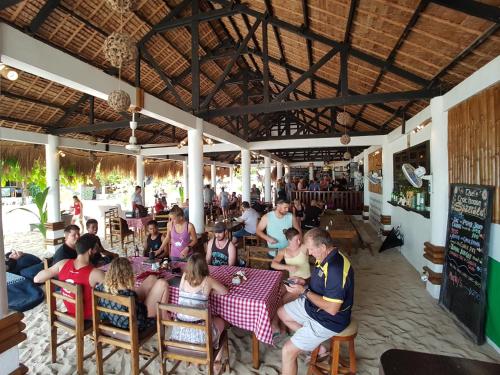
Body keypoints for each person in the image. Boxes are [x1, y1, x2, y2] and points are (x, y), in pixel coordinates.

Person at [277, 229, 354, 375]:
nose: (310, 253)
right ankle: (315, 346)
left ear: (323, 247)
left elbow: (332, 309)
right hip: (313, 306)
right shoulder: (325, 256)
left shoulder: (335, 269)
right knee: (281, 312)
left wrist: (303, 292)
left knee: (287, 351)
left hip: (329, 319)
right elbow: (320, 282)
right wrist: (304, 283)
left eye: (311, 249)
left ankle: (310, 341)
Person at [34, 234, 105, 320]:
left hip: (70, 312)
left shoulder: (63, 263)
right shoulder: (96, 273)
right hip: (89, 316)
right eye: (95, 249)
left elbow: (37, 279)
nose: (96, 252)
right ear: (90, 251)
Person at [169, 253, 228, 351]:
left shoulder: (184, 277)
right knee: (222, 322)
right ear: (204, 266)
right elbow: (224, 291)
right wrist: (211, 290)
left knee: (209, 320)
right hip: (200, 339)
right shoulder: (208, 280)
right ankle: (217, 361)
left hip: (178, 334)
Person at [95, 257, 170, 330]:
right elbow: (140, 316)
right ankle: (164, 316)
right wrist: (145, 300)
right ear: (128, 274)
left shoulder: (100, 288)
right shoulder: (129, 294)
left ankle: (162, 311)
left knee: (152, 278)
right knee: (162, 283)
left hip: (113, 319)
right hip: (134, 325)